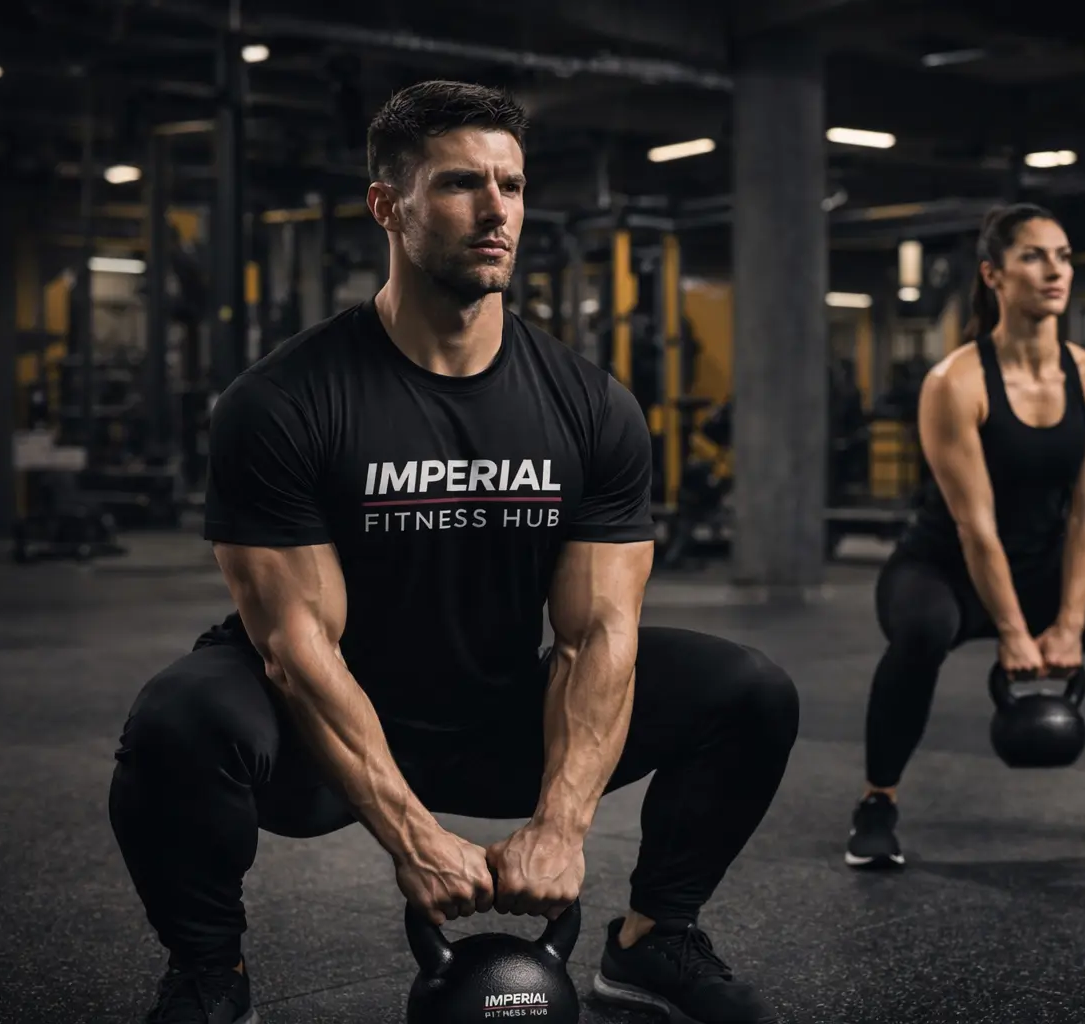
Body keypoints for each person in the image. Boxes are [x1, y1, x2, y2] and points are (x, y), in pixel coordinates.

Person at [108, 80, 797, 1024]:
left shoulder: (591, 406)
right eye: (460, 184)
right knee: (176, 720)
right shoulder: (284, 401)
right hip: (321, 726)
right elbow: (297, 649)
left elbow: (599, 633)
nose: (496, 211)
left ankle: (653, 941)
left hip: (494, 711)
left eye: (511, 186)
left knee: (749, 690)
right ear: (386, 205)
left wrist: (560, 825)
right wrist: (411, 836)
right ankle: (209, 973)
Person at [844, 203, 1085, 870]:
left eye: (1064, 256)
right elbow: (973, 522)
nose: (1054, 270)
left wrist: (1070, 622)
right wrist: (1014, 633)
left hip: (1046, 565)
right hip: (944, 566)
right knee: (922, 634)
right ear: (993, 274)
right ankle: (877, 802)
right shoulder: (954, 382)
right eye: (1034, 256)